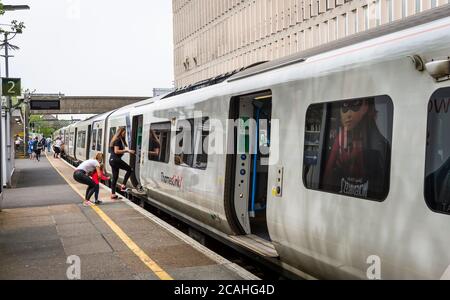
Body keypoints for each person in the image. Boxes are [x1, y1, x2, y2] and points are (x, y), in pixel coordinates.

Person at [322, 98, 391, 199]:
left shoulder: (377, 143)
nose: (348, 114)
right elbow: (327, 174)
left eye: (355, 104)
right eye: (344, 106)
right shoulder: (341, 137)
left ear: (366, 106)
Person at [109, 127, 144, 200]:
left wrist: (129, 150)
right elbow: (116, 151)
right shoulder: (117, 140)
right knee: (130, 169)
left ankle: (113, 194)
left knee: (115, 177)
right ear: (120, 132)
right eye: (124, 133)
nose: (124, 134)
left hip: (112, 160)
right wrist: (127, 151)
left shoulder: (119, 140)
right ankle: (123, 185)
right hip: (115, 159)